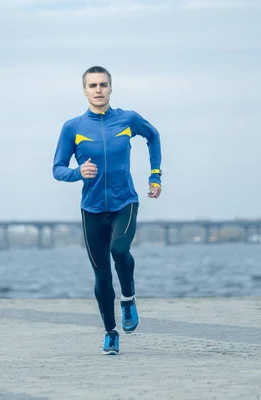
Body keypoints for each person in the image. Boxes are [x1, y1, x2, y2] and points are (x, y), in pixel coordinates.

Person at [52, 65, 163, 355]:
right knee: (101, 277)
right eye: (93, 86)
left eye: (103, 85)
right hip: (91, 210)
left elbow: (153, 136)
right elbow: (57, 169)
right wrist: (78, 173)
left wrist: (155, 175)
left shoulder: (128, 119)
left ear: (111, 88)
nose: (98, 90)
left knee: (119, 250)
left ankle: (128, 298)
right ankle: (110, 333)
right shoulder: (72, 127)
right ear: (85, 91)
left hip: (124, 202)